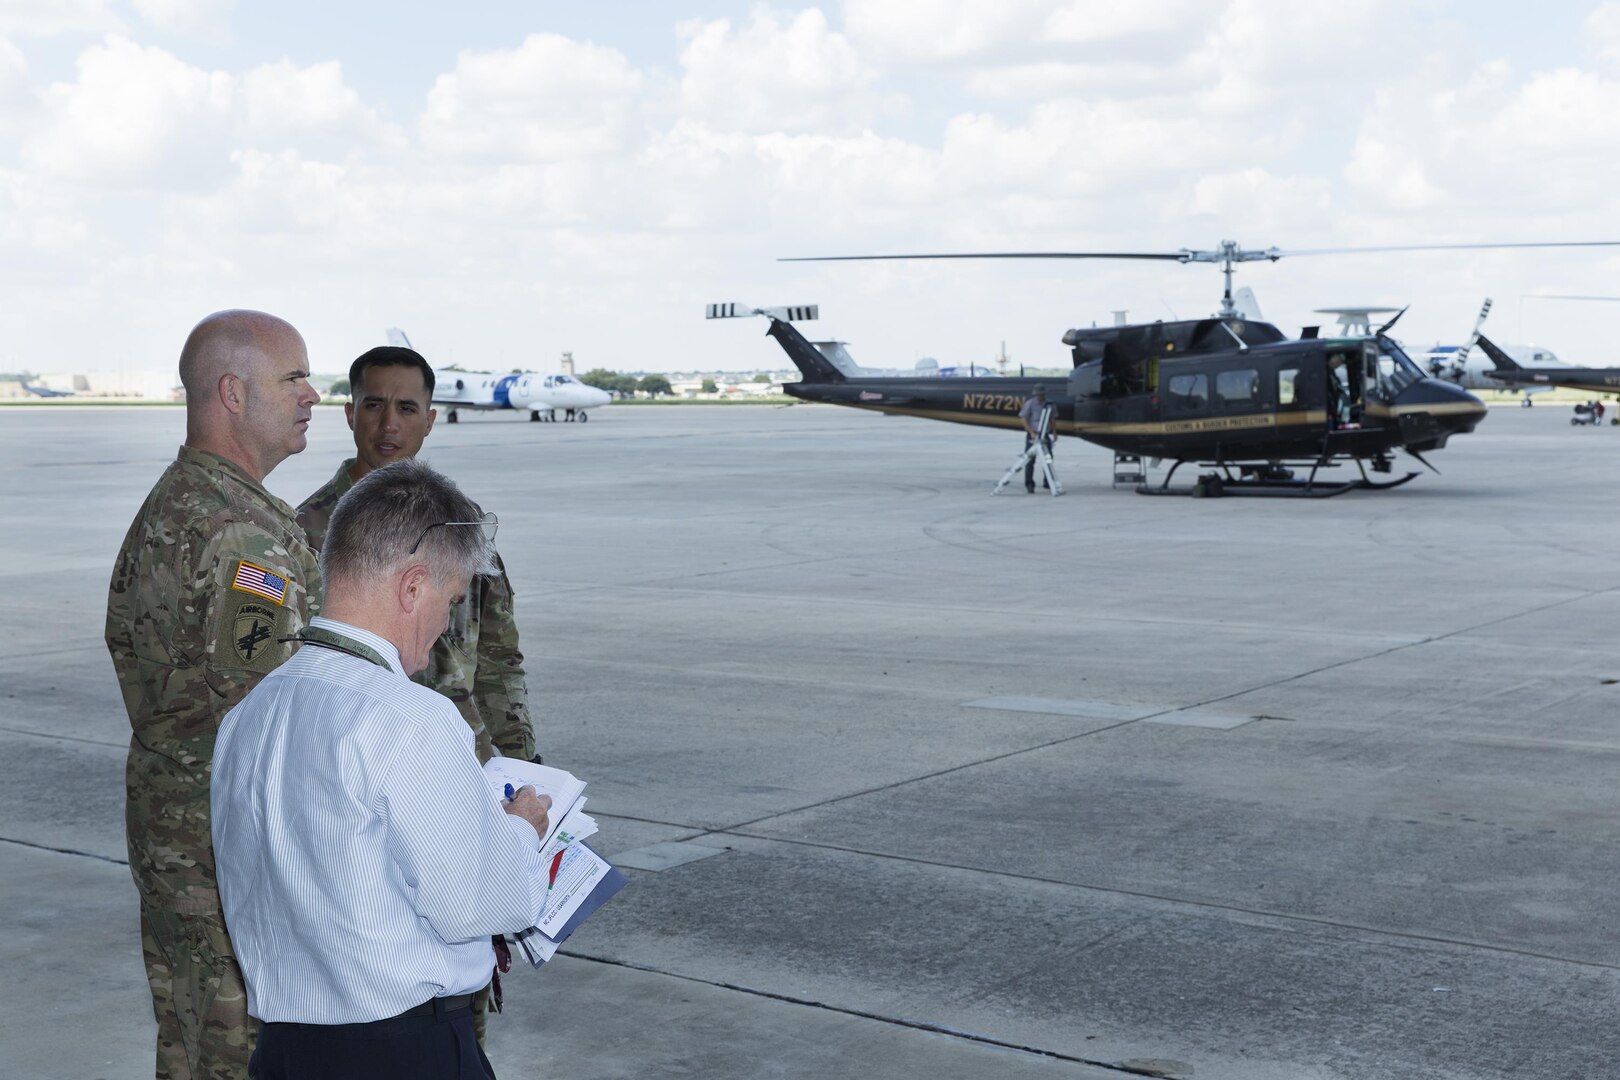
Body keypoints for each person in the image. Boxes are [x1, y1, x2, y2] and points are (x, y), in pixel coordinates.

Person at [212, 459, 555, 1080]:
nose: (448, 624)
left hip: (285, 1054)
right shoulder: (411, 717)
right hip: (400, 1051)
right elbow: (475, 904)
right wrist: (521, 832)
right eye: (451, 601)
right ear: (412, 587)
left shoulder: (250, 715)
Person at [106, 310, 322, 1080]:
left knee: (190, 1043)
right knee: (237, 1052)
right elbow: (260, 710)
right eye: (292, 377)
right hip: (227, 853)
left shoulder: (179, 504)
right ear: (233, 392)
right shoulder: (241, 538)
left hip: (178, 835)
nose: (313, 394)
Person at [297, 346, 534, 765]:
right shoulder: (305, 531)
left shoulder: (462, 523)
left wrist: (524, 758)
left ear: (429, 421)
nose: (389, 424)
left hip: (462, 756)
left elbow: (499, 655)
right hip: (361, 759)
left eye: (407, 408)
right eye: (374, 405)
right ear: (351, 415)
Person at [1018, 384, 1055, 493]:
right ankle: (1029, 484)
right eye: (1037, 395)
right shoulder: (1030, 404)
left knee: (1048, 459)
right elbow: (1023, 419)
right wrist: (1031, 432)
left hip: (1045, 434)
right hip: (1033, 434)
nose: (1039, 396)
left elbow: (1052, 418)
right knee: (1030, 460)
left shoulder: (1049, 404)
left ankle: (1048, 482)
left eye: (1041, 394)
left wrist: (1054, 432)